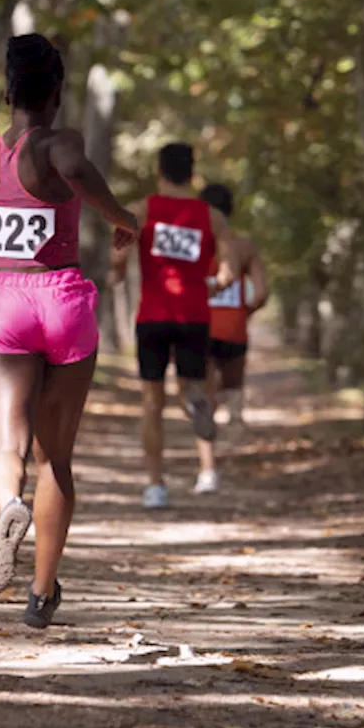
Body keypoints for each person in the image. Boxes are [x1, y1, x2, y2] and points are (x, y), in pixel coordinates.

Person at [0, 34, 138, 629]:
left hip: (5, 304)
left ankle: (9, 507)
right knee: (56, 458)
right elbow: (76, 169)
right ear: (58, 91)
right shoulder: (61, 141)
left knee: (5, 450)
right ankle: (41, 595)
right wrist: (123, 218)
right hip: (64, 301)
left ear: (6, 89)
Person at [110, 143, 236, 509]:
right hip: (194, 315)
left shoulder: (142, 211)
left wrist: (116, 273)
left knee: (152, 402)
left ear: (159, 171)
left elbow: (117, 259)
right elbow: (227, 273)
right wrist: (209, 284)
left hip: (153, 315)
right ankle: (201, 430)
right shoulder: (212, 217)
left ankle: (155, 485)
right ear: (193, 172)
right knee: (193, 388)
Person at [199, 183, 269, 488]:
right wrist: (245, 312)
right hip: (234, 331)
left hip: (197, 329)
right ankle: (235, 439)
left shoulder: (194, 246)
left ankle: (208, 470)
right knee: (232, 393)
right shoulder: (244, 247)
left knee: (202, 398)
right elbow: (262, 292)